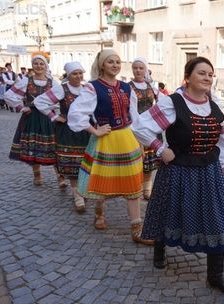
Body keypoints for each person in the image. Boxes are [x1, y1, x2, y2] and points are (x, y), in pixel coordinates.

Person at [132, 56, 224, 296]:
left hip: (209, 171)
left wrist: (221, 164)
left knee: (216, 218)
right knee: (168, 209)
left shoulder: (213, 104)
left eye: (210, 74)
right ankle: (159, 249)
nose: (207, 78)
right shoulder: (173, 103)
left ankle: (216, 275)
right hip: (178, 170)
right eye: (202, 73)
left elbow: (220, 139)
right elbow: (139, 126)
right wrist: (160, 149)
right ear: (187, 77)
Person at [67, 49, 151, 245]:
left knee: (133, 185)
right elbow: (75, 114)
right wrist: (94, 130)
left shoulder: (126, 88)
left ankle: (136, 228)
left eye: (117, 61)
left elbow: (134, 117)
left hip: (127, 139)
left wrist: (139, 141)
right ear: (102, 65)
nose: (115, 65)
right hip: (106, 140)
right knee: (104, 184)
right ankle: (99, 213)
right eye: (110, 62)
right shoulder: (93, 88)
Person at [34, 62, 91, 213]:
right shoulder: (62, 89)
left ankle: (83, 189)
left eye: (80, 73)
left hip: (86, 129)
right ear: (68, 75)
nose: (78, 76)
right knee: (72, 161)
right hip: (68, 129)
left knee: (85, 161)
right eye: (74, 74)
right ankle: (77, 195)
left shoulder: (87, 89)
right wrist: (54, 116)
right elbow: (39, 101)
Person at [5, 55, 63, 187]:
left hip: (48, 117)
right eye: (36, 63)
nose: (38, 66)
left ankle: (60, 176)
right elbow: (8, 95)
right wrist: (21, 107)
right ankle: (37, 174)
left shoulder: (53, 82)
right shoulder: (26, 81)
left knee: (55, 146)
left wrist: (53, 108)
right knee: (34, 145)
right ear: (32, 65)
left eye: (41, 64)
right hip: (31, 117)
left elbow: (61, 98)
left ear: (45, 66)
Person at [129, 57, 160, 201]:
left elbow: (160, 104)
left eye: (141, 68)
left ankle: (147, 188)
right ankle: (135, 187)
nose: (138, 70)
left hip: (151, 126)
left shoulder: (151, 87)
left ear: (145, 70)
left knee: (149, 160)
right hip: (135, 125)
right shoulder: (128, 87)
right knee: (138, 159)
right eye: (135, 68)